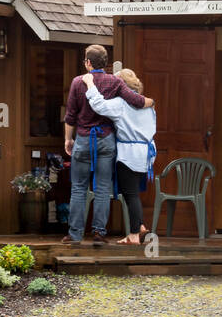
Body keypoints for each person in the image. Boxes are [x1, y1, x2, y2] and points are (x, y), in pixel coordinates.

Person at [62, 44, 151, 247]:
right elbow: (135, 101)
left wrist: (69, 139)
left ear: (88, 63)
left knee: (78, 188)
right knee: (102, 188)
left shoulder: (77, 82)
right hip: (106, 139)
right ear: (106, 63)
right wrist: (150, 102)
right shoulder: (115, 82)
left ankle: (75, 234)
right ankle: (99, 233)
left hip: (83, 139)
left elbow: (70, 116)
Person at [83, 67, 156, 244]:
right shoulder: (147, 104)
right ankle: (140, 228)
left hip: (129, 154)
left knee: (130, 194)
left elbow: (99, 105)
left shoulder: (120, 103)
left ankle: (133, 235)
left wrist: (90, 84)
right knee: (134, 192)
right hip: (146, 153)